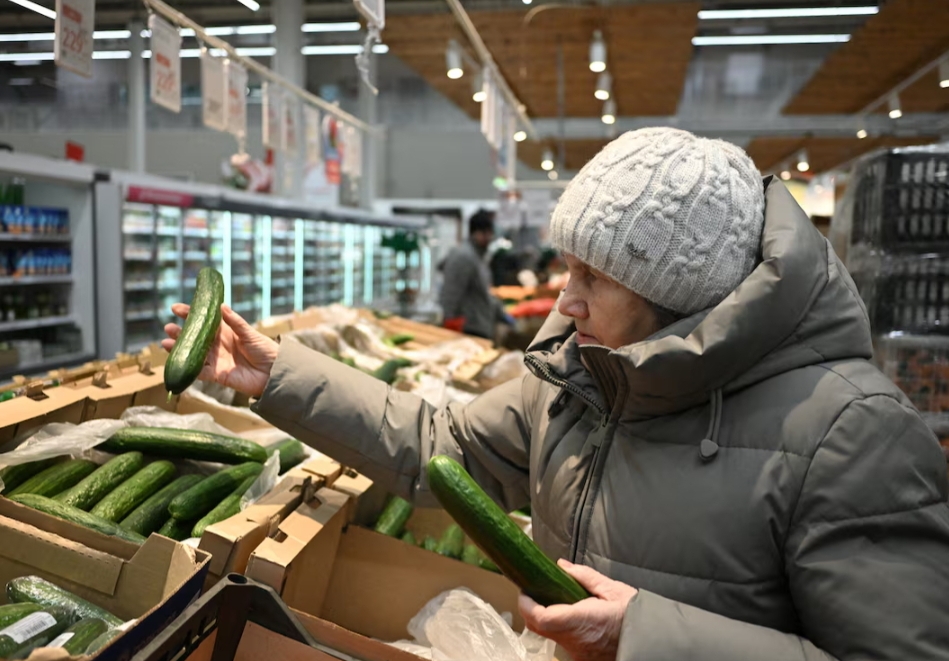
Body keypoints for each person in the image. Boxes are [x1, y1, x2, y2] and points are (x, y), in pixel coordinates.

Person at [164, 127, 949, 661]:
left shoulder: (852, 432)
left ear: (680, 293)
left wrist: (641, 633)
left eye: (592, 278)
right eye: (564, 267)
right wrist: (279, 376)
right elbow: (440, 444)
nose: (562, 302)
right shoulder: (582, 377)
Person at [438, 209, 511, 339]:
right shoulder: (464, 257)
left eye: (490, 234)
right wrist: (450, 325)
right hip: (468, 328)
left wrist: (499, 312)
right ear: (474, 233)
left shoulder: (478, 256)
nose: (489, 238)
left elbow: (483, 292)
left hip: (480, 325)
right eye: (485, 233)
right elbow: (451, 294)